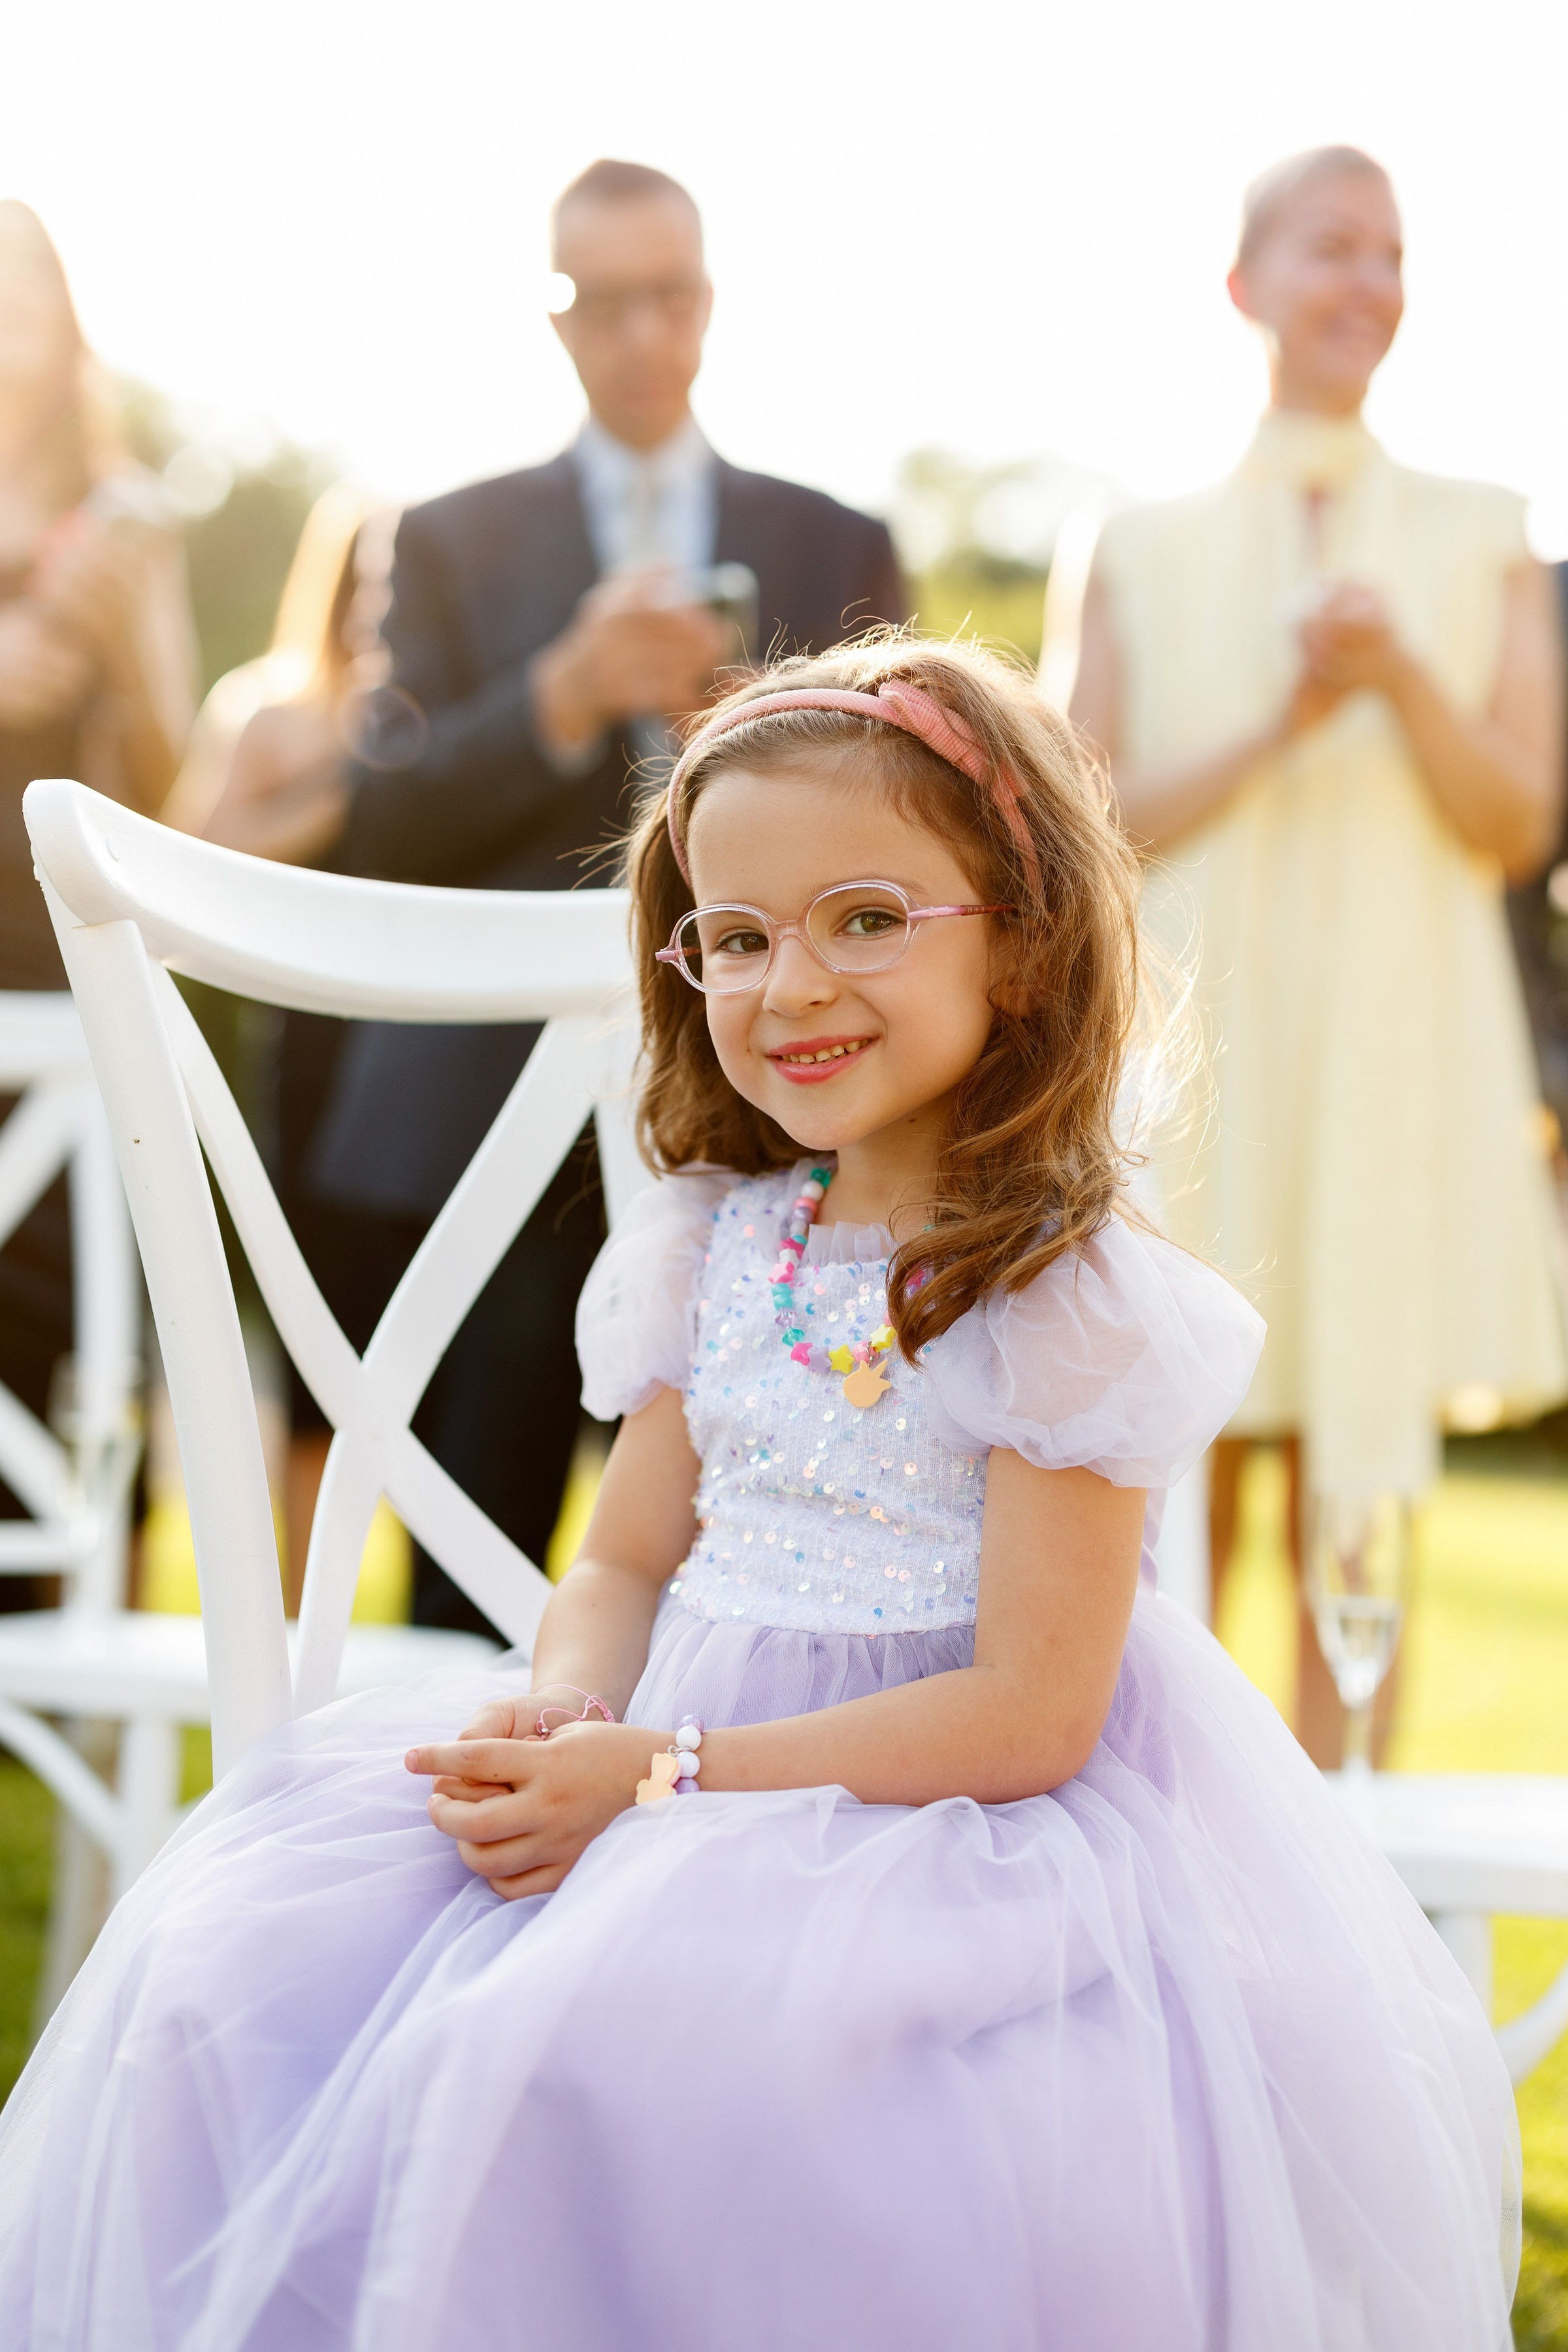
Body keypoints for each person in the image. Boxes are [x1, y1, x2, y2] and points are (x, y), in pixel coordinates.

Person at [0, 641, 1516, 2348]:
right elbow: (630, 1551)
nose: (790, 986)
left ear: (1020, 941)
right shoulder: (719, 1243)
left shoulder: (1063, 1292)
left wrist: (663, 1774)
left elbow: (1032, 1711)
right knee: (240, 1964)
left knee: (665, 2052)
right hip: (647, 1750)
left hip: (928, 1824)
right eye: (735, 938)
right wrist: (572, 1696)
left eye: (865, 918)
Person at [306, 159, 907, 1637]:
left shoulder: (835, 539)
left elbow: (906, 822)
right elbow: (382, 818)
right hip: (492, 1119)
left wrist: (750, 736)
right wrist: (561, 695)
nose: (643, 333)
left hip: (770, 1112)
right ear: (559, 321)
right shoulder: (451, 535)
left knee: (762, 1555)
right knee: (467, 1548)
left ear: (707, 306)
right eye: (607, 303)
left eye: (671, 297)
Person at [1064, 146, 1568, 1759]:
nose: (1367, 283)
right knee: (1185, 1431)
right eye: (1331, 247)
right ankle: (1176, 1795)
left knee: (1365, 1438)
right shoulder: (1137, 541)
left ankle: (1354, 1812)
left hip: (1401, 1033)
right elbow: (1089, 830)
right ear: (1247, 285)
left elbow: (1518, 820)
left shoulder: (1486, 531)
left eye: (1393, 253)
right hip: (1210, 1031)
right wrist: (1284, 719)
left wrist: (1402, 677)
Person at [0, 201, 195, 1557]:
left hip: (53, 951)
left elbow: (171, 785)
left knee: (72, 1303)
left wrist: (121, 650)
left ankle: (65, 1627)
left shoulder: (124, 517)